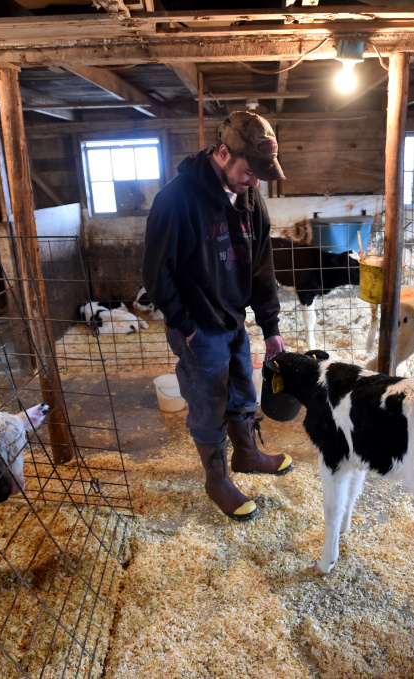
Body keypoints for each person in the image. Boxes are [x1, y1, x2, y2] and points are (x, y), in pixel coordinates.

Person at [142, 111, 293, 521]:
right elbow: (156, 275)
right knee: (208, 403)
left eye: (261, 175)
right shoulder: (175, 199)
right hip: (197, 327)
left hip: (233, 319)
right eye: (249, 171)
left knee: (244, 387)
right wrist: (185, 326)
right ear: (223, 153)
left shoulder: (249, 198)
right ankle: (217, 480)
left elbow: (262, 266)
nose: (255, 182)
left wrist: (271, 327)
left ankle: (246, 453)